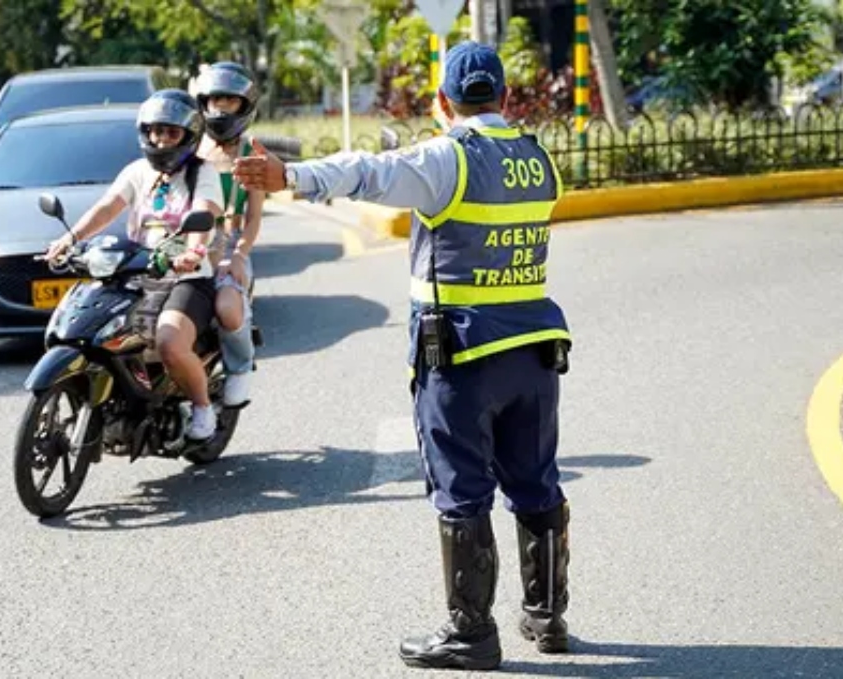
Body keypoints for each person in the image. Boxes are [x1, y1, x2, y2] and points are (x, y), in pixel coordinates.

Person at [232, 42, 573, 671]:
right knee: (534, 480)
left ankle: (472, 634)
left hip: (463, 357)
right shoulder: (537, 156)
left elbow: (369, 170)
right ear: (504, 97)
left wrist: (292, 178)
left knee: (462, 491)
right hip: (534, 353)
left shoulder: (448, 159)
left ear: (444, 102)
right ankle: (548, 617)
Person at [45, 89, 225, 441]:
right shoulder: (137, 171)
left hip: (185, 278)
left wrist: (192, 251)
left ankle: (202, 407)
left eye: (171, 133)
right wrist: (71, 239)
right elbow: (108, 207)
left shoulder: (203, 173)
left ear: (189, 136)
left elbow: (205, 212)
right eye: (155, 131)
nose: (161, 140)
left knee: (170, 343)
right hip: (135, 271)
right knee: (97, 331)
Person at [193, 61, 265, 408]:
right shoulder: (188, 149)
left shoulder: (253, 154)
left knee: (228, 309)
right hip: (185, 250)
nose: (220, 108)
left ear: (244, 105)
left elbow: (253, 218)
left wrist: (238, 255)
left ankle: (240, 367)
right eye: (214, 99)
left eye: (229, 100)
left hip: (227, 251)